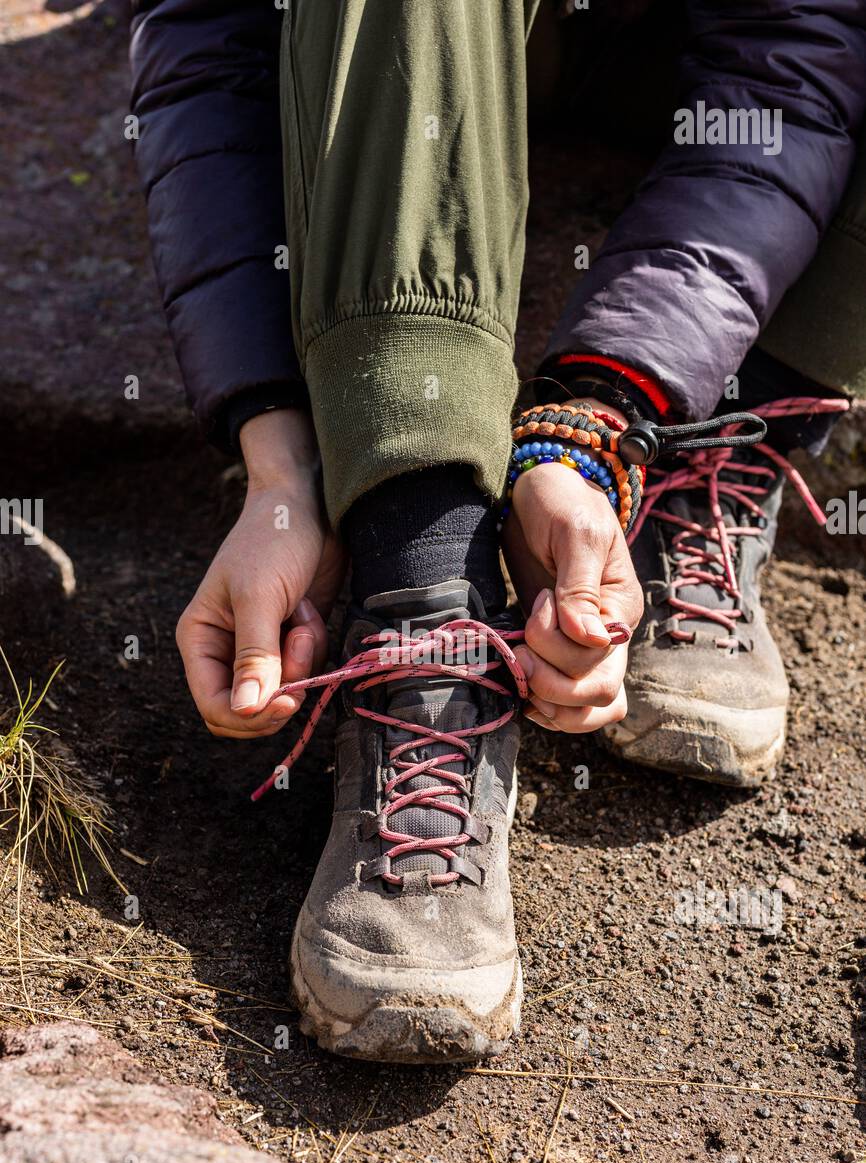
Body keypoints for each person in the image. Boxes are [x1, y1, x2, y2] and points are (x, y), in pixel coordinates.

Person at [129, 0, 866, 1063]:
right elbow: (208, 48)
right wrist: (281, 461)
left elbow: (795, 58)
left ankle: (724, 425)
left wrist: (594, 426)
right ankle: (419, 583)